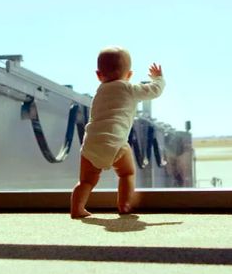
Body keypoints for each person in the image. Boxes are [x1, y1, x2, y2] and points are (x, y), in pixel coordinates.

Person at [70, 46, 165, 218]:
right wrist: (158, 78)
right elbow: (154, 91)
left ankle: (77, 209)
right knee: (127, 173)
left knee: (86, 181)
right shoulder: (129, 89)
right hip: (116, 144)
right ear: (129, 75)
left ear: (99, 75)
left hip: (90, 144)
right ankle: (124, 205)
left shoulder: (99, 92)